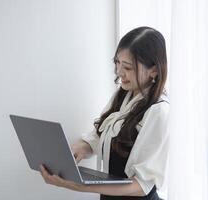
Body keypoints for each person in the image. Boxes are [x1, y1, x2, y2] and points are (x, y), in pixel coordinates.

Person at [40, 26, 169, 200]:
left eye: (128, 67)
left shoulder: (158, 111)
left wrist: (76, 185)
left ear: (154, 69)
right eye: (117, 63)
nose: (119, 72)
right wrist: (81, 148)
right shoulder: (124, 93)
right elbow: (101, 136)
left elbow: (142, 185)